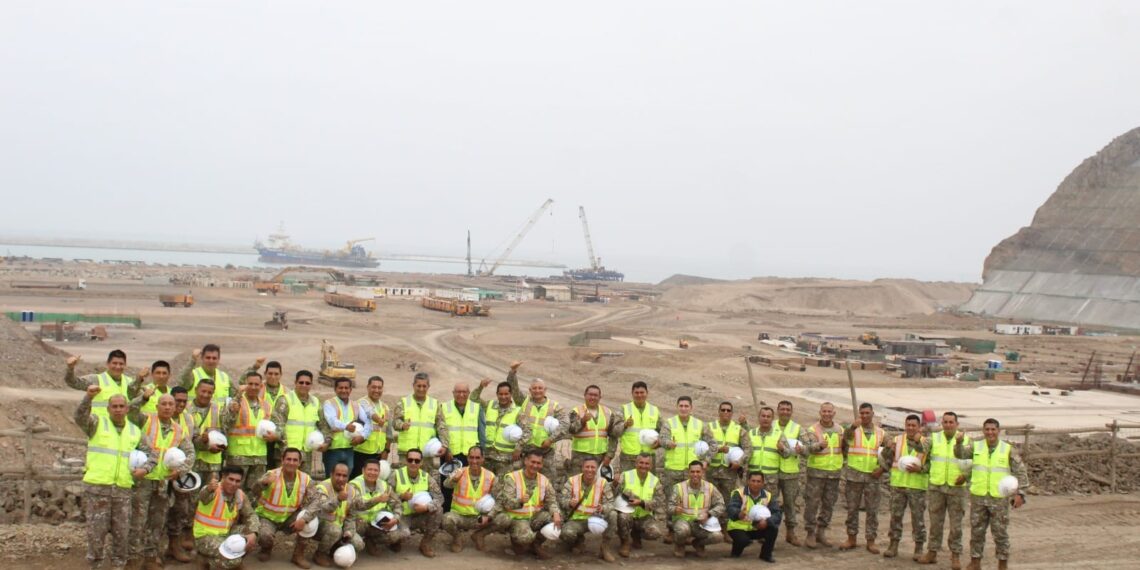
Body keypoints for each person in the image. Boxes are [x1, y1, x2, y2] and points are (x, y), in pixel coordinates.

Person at [76, 385, 154, 570]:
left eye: (121, 406)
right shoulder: (96, 424)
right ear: (108, 409)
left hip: (123, 492)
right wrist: (88, 397)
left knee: (121, 535)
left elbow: (152, 455)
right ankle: (95, 566)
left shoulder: (135, 431)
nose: (118, 409)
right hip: (98, 490)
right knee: (96, 534)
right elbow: (79, 416)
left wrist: (145, 469)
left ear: (127, 409)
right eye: (114, 406)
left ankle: (118, 566)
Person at [130, 393, 196, 569]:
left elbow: (190, 453)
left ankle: (150, 558)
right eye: (164, 404)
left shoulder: (178, 430)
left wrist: (180, 471)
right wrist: (143, 398)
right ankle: (133, 559)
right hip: (143, 481)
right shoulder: (146, 420)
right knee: (137, 522)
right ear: (157, 406)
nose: (167, 407)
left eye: (170, 404)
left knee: (157, 522)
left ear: (175, 408)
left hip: (162, 483)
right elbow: (131, 411)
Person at [963, 418, 1028, 570]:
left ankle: (1002, 564)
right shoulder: (975, 446)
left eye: (993, 429)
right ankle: (975, 562)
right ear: (983, 431)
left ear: (998, 431)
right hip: (978, 497)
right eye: (987, 429)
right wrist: (959, 442)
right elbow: (959, 453)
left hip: (998, 500)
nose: (990, 432)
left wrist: (1020, 494)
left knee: (1000, 533)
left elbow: (1020, 472)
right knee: (976, 532)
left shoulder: (1007, 449)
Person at [919, 411, 971, 568]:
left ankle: (955, 556)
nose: (948, 425)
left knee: (956, 526)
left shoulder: (966, 440)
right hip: (937, 487)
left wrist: (966, 476)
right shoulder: (934, 439)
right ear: (942, 424)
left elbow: (976, 462)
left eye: (951, 422)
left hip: (957, 488)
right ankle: (932, 552)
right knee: (935, 523)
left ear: (957, 424)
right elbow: (925, 458)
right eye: (945, 422)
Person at [489, 450, 562, 559]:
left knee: (558, 519)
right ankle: (517, 539)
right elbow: (506, 503)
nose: (535, 465)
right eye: (533, 462)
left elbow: (551, 500)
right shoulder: (512, 478)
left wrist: (555, 513)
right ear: (526, 461)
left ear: (542, 464)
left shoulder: (544, 480)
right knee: (524, 540)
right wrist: (520, 501)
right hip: (517, 518)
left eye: (538, 463)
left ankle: (536, 545)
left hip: (535, 517)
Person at [251, 448, 314, 567]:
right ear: (282, 460)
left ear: (299, 463)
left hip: (290, 517)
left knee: (310, 522)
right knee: (265, 536)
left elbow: (316, 501)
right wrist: (263, 483)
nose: (291, 462)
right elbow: (253, 491)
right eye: (288, 459)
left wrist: (304, 519)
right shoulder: (271, 474)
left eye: (295, 460)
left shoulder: (305, 479)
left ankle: (298, 555)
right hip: (267, 517)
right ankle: (266, 549)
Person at [881, 413, 931, 560]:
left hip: (917, 486)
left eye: (913, 425)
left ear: (919, 427)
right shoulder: (897, 440)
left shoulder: (926, 443)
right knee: (895, 517)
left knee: (918, 518)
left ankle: (918, 547)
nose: (910, 428)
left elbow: (932, 464)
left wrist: (921, 469)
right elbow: (886, 459)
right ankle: (893, 545)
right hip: (898, 485)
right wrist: (888, 449)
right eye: (908, 425)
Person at [192, 466, 260, 570]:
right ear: (223, 477)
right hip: (205, 536)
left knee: (253, 535)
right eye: (231, 479)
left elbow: (250, 514)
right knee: (233, 560)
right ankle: (207, 562)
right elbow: (203, 496)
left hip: (226, 534)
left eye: (237, 481)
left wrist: (253, 533)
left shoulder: (240, 495)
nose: (234, 484)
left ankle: (217, 560)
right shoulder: (212, 490)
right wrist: (209, 489)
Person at [840, 402, 886, 553]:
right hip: (854, 476)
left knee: (872, 511)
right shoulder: (853, 430)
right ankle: (851, 538)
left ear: (873, 414)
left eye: (867, 413)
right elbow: (844, 441)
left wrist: (882, 469)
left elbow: (891, 452)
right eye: (862, 413)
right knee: (852, 509)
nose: (865, 416)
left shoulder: (881, 433)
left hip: (873, 477)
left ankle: (871, 541)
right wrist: (852, 427)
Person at [222, 372, 277, 491]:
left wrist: (275, 436)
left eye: (256, 384)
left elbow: (276, 426)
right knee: (234, 489)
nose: (253, 387)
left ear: (261, 386)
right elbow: (226, 424)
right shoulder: (235, 402)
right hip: (238, 455)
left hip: (259, 456)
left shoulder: (266, 406)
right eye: (250, 384)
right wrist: (234, 408)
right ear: (245, 385)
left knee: (256, 491)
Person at [558, 457, 617, 562]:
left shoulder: (603, 483)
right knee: (566, 534)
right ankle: (579, 541)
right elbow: (561, 499)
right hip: (576, 520)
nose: (590, 470)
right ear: (582, 468)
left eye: (593, 467)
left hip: (596, 519)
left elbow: (611, 503)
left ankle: (605, 548)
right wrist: (569, 503)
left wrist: (603, 508)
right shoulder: (572, 481)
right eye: (587, 467)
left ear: (597, 469)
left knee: (613, 514)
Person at [801, 402, 843, 548]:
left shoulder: (840, 430)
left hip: (833, 473)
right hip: (816, 473)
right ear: (820, 413)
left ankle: (821, 531)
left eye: (829, 411)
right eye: (824, 411)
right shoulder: (812, 429)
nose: (827, 414)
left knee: (829, 504)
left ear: (834, 413)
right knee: (812, 504)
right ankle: (810, 533)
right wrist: (818, 446)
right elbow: (806, 449)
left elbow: (843, 448)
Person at [388, 448, 443, 558]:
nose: (413, 463)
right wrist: (401, 497)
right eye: (410, 460)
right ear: (406, 461)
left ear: (421, 462)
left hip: (419, 515)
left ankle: (425, 543)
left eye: (417, 461)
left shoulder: (426, 477)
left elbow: (440, 498)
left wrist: (427, 507)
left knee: (438, 510)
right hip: (401, 516)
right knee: (403, 535)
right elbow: (386, 497)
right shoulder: (396, 475)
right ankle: (395, 541)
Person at [441, 445, 498, 552]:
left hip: (479, 517)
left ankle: (479, 535)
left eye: (477, 458)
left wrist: (489, 516)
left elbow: (499, 499)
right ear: (467, 458)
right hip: (459, 516)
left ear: (483, 459)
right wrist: (454, 479)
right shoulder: (459, 471)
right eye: (471, 457)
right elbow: (446, 485)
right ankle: (458, 538)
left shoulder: (490, 476)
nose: (474, 461)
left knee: (502, 518)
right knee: (446, 519)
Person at [437, 381, 483, 511]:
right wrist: (446, 450)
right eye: (458, 392)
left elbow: (481, 432)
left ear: (468, 393)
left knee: (468, 485)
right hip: (450, 456)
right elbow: (439, 430)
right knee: (447, 486)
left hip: (470, 456)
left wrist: (480, 453)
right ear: (453, 393)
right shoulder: (444, 407)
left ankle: (466, 512)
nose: (461, 395)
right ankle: (447, 513)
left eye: (464, 392)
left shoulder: (477, 408)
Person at [306, 463, 362, 567]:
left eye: (344, 476)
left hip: (340, 527)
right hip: (319, 527)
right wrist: (338, 499)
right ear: (331, 474)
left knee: (358, 544)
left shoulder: (351, 490)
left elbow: (351, 516)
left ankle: (334, 549)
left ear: (348, 477)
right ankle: (319, 554)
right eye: (338, 475)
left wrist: (348, 531)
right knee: (335, 531)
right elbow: (324, 508)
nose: (341, 479)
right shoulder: (322, 487)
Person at [165, 385, 198, 563]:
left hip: (180, 473)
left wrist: (181, 471)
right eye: (178, 400)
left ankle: (174, 546)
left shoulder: (188, 419)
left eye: (185, 401)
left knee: (180, 509)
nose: (181, 404)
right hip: (160, 473)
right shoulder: (158, 419)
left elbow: (191, 446)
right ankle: (152, 553)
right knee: (158, 511)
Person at [668, 461, 726, 559]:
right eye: (692, 472)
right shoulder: (679, 487)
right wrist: (675, 509)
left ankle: (698, 544)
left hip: (701, 523)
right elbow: (669, 507)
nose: (695, 474)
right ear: (688, 472)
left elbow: (721, 505)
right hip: (683, 521)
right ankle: (679, 545)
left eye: (698, 472)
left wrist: (708, 514)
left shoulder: (710, 487)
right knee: (682, 531)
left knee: (718, 536)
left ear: (702, 472)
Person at [517, 376, 568, 487]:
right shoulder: (524, 402)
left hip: (546, 451)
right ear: (530, 390)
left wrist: (551, 440)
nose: (537, 391)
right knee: (522, 481)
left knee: (548, 482)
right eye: (534, 388)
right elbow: (514, 389)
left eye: (540, 388)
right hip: (526, 450)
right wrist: (513, 372)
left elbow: (565, 423)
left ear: (545, 390)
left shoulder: (555, 406)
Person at [65, 350, 144, 419]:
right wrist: (70, 368)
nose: (118, 366)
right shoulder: (96, 380)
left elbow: (141, 401)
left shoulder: (130, 382)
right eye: (114, 363)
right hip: (100, 427)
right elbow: (73, 382)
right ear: (107, 364)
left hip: (123, 428)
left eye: (121, 364)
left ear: (125, 365)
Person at [660, 396, 709, 508]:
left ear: (691, 408)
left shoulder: (699, 424)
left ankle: (690, 518)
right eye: (681, 406)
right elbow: (662, 439)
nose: (683, 408)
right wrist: (668, 443)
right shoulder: (669, 423)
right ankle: (672, 519)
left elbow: (712, 444)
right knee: (671, 501)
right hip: (673, 471)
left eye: (686, 406)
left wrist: (706, 460)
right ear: (677, 407)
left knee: (691, 501)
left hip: (692, 472)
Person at [349, 457, 404, 556]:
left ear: (379, 472)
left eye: (375, 470)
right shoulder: (354, 485)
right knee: (358, 544)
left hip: (376, 523)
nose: (372, 473)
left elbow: (397, 504)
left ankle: (371, 541)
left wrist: (396, 519)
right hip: (358, 523)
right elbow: (357, 504)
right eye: (369, 469)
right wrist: (377, 499)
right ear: (363, 470)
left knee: (395, 536)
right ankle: (351, 544)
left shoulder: (384, 485)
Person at [613, 453, 664, 557]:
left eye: (647, 463)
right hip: (628, 514)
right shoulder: (625, 475)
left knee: (655, 533)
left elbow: (659, 501)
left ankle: (636, 535)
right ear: (636, 463)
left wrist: (641, 503)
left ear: (651, 466)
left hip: (644, 516)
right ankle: (625, 542)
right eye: (641, 463)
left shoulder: (655, 480)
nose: (643, 466)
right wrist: (614, 483)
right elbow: (614, 493)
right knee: (622, 518)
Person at [320, 377, 371, 477]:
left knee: (345, 480)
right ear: (335, 389)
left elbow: (368, 422)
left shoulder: (355, 405)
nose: (344, 390)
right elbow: (332, 422)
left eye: (346, 388)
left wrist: (363, 436)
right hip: (332, 449)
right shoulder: (329, 403)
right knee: (331, 479)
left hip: (349, 449)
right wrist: (346, 426)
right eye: (341, 388)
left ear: (350, 389)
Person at [567, 384, 623, 477]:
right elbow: (570, 430)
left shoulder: (608, 412)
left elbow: (613, 436)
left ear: (600, 397)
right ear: (585, 395)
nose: (593, 397)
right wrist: (582, 421)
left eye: (595, 395)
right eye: (590, 394)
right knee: (578, 482)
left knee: (599, 483)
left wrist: (609, 455)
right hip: (580, 457)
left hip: (600, 457)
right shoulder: (576, 411)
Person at [705, 401, 752, 509]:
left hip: (729, 473)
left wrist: (739, 463)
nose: (726, 412)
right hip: (712, 472)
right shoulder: (709, 427)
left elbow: (748, 449)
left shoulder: (738, 429)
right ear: (719, 412)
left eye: (728, 410)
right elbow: (702, 447)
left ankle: (726, 519)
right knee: (711, 502)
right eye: (723, 410)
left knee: (729, 502)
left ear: (732, 413)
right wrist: (718, 449)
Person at [726, 471, 781, 562]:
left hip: (757, 527)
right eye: (753, 481)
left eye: (758, 481)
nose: (755, 484)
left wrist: (767, 522)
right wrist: (738, 514)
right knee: (743, 540)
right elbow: (731, 508)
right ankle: (735, 552)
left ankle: (766, 555)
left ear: (763, 483)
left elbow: (777, 513)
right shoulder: (739, 493)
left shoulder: (768, 496)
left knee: (773, 528)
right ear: (748, 481)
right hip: (738, 527)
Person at [473, 379, 522, 476]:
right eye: (500, 394)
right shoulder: (489, 405)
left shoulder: (518, 411)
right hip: (487, 456)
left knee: (501, 484)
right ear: (497, 394)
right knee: (486, 482)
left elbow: (527, 432)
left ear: (511, 394)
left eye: (506, 394)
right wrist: (480, 387)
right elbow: (473, 399)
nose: (503, 397)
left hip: (505, 459)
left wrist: (518, 448)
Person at [278, 370, 323, 474]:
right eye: (301, 382)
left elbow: (323, 425)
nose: (304, 385)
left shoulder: (315, 402)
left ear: (311, 384)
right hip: (286, 454)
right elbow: (278, 426)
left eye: (307, 383)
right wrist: (286, 451)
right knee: (283, 481)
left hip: (306, 455)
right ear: (295, 382)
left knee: (303, 482)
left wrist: (326, 442)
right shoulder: (285, 400)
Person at [773, 400, 805, 545]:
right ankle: (768, 532)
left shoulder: (797, 428)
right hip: (772, 471)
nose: (785, 412)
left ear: (791, 412)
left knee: (790, 504)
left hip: (790, 472)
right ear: (778, 410)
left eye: (788, 409)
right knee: (771, 502)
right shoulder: (771, 425)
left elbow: (807, 449)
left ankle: (791, 532)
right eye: (782, 409)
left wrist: (801, 449)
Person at [393, 371, 440, 465]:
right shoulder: (403, 402)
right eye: (419, 386)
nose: (421, 389)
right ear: (413, 385)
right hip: (406, 454)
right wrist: (402, 425)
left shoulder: (435, 404)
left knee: (425, 475)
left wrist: (444, 446)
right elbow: (395, 422)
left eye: (424, 386)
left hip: (426, 453)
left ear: (428, 386)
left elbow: (441, 426)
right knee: (404, 475)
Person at [619, 381, 663, 472]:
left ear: (647, 393)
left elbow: (663, 431)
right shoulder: (624, 409)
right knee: (629, 480)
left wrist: (659, 442)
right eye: (636, 393)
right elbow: (614, 431)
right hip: (629, 458)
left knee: (649, 481)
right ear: (632, 393)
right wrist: (625, 425)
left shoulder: (654, 410)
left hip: (648, 458)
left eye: (642, 392)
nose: (639, 395)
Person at [352, 376, 390, 479]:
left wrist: (386, 451)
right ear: (368, 387)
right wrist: (379, 419)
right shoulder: (360, 403)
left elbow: (388, 433)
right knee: (358, 481)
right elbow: (370, 412)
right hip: (361, 453)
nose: (376, 390)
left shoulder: (385, 407)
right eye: (374, 387)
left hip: (378, 454)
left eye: (379, 387)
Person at [260, 360, 287, 469]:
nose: (273, 377)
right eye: (270, 373)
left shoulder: (287, 392)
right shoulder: (257, 388)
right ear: (265, 374)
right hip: (261, 436)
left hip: (279, 440)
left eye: (276, 374)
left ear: (281, 375)